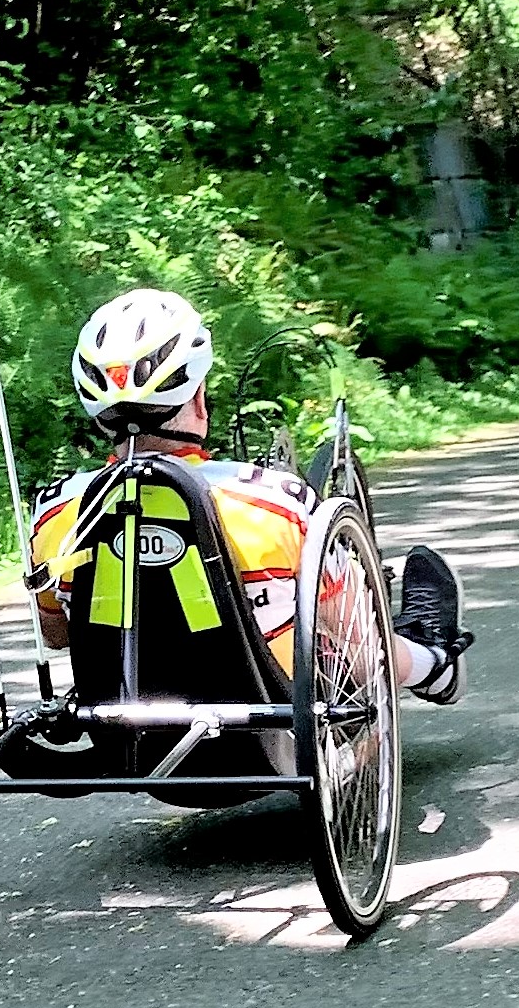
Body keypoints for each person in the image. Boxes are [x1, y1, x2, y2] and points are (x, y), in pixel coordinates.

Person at [29, 288, 472, 702]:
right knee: (343, 621)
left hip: (126, 726)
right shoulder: (276, 503)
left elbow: (58, 634)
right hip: (270, 724)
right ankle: (433, 665)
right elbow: (361, 640)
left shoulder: (55, 513)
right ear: (198, 399)